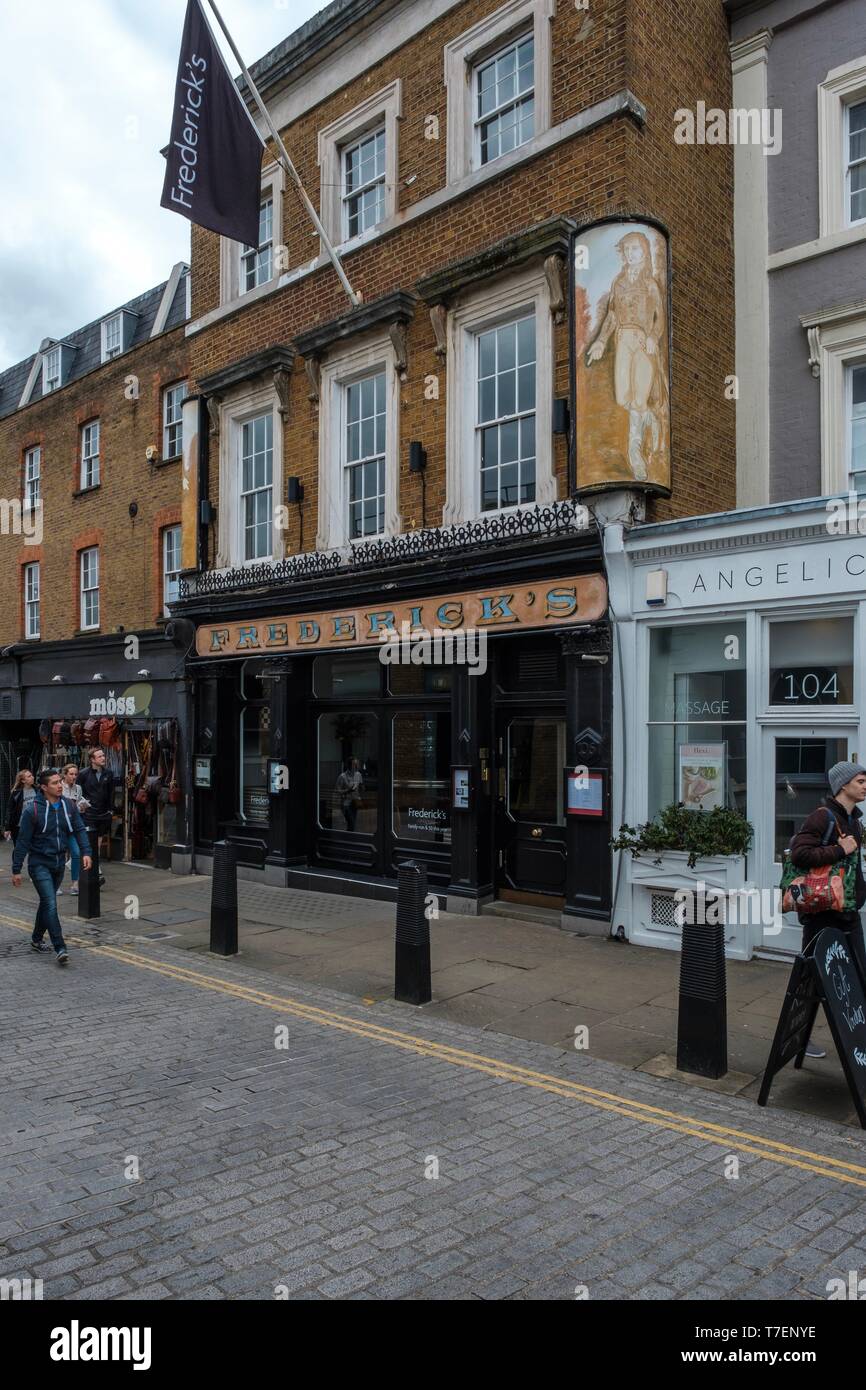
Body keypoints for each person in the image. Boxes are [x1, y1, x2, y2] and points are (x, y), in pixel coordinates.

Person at [789, 760, 866, 1058]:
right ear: (843, 785)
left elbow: (851, 867)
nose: (864, 785)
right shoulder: (822, 818)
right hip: (821, 915)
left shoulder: (854, 821)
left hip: (847, 913)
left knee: (859, 975)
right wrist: (839, 849)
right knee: (809, 980)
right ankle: (798, 1038)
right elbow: (800, 855)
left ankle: (858, 1041)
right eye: (860, 780)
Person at [12, 768, 91, 965]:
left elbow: (80, 829)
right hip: (39, 864)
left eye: (60, 782)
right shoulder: (33, 810)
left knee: (47, 903)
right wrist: (16, 869)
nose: (59, 786)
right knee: (51, 903)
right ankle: (60, 947)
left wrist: (86, 852)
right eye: (55, 783)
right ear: (44, 787)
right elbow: (22, 842)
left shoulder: (68, 806)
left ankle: (36, 939)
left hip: (57, 864)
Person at [77, 747, 115, 883]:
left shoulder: (109, 773)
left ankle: (93, 867)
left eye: (103, 755)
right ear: (92, 759)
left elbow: (111, 792)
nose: (103, 758)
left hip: (104, 814)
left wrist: (111, 810)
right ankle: (96, 870)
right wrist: (82, 805)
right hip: (90, 813)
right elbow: (78, 792)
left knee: (98, 843)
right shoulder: (83, 774)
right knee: (90, 842)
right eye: (99, 756)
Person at [60, 763, 89, 895]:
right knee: (58, 855)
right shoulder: (58, 787)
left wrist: (81, 806)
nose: (74, 777)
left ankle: (75, 883)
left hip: (72, 827)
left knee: (76, 853)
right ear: (64, 775)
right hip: (59, 827)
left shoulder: (78, 788)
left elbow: (77, 805)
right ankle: (56, 885)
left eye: (76, 774)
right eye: (71, 774)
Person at [4, 769, 36, 845]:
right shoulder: (16, 793)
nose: (33, 777)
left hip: (34, 825)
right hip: (19, 826)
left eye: (32, 775)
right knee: (19, 850)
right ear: (23, 781)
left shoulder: (37, 790)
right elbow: (10, 810)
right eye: (29, 776)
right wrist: (7, 828)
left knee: (35, 850)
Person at [336, 758, 364, 832]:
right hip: (346, 803)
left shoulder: (359, 775)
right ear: (349, 765)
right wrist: (348, 790)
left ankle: (349, 839)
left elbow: (361, 786)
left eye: (357, 764)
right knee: (351, 823)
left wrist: (362, 788)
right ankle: (349, 839)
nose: (357, 766)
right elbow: (338, 791)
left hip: (355, 802)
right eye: (354, 764)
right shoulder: (342, 776)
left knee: (352, 824)